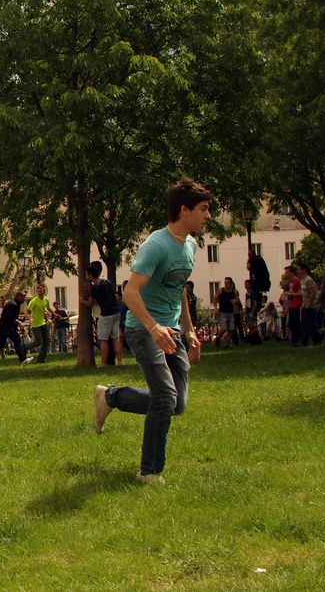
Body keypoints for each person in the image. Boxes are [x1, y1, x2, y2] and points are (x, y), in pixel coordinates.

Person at [93, 177, 210, 484]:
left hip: (169, 330)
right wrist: (153, 327)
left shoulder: (190, 245)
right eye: (203, 209)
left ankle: (111, 397)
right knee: (164, 397)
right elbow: (130, 293)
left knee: (177, 403)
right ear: (184, 211)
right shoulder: (156, 245)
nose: (207, 216)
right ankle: (149, 472)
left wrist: (190, 330)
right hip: (143, 330)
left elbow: (178, 289)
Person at [82, 262, 120, 366]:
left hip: (106, 314)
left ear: (90, 275)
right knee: (116, 338)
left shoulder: (95, 287)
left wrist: (81, 300)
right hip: (116, 312)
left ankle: (103, 363)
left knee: (103, 340)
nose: (86, 276)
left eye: (86, 274)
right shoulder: (107, 282)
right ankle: (120, 361)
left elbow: (89, 303)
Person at [0, 292, 27, 363]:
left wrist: (19, 323)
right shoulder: (13, 305)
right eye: (23, 297)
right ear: (19, 297)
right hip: (5, 326)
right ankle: (22, 359)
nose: (24, 299)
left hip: (2, 326)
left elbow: (11, 318)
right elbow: (9, 318)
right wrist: (19, 323)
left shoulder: (14, 304)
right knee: (17, 339)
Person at [23, 285, 51, 365]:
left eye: (41, 291)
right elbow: (26, 312)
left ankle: (40, 359)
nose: (39, 293)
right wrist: (29, 318)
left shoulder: (46, 299)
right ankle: (24, 347)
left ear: (44, 291)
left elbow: (48, 308)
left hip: (43, 323)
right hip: (35, 324)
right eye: (38, 291)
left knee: (46, 341)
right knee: (39, 342)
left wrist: (54, 314)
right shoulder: (34, 301)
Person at [296, 262, 320, 346]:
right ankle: (304, 341)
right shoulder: (302, 280)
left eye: (299, 269)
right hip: (304, 304)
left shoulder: (308, 280)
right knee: (304, 324)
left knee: (311, 324)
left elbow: (313, 292)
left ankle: (315, 340)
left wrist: (309, 304)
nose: (298, 271)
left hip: (310, 305)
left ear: (304, 270)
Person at [213, 277, 240, 348]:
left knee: (231, 329)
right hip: (222, 312)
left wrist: (235, 301)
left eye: (228, 283)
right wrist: (216, 308)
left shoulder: (234, 292)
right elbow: (215, 299)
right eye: (225, 283)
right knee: (224, 328)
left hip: (231, 312)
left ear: (231, 283)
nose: (226, 284)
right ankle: (218, 338)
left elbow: (238, 300)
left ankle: (226, 343)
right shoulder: (221, 291)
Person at [284, 265, 304, 345]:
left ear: (292, 272)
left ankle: (298, 338)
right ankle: (294, 339)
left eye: (287, 272)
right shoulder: (290, 282)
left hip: (297, 304)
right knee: (291, 323)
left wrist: (291, 294)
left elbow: (300, 293)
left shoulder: (297, 281)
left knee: (296, 323)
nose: (286, 274)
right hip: (291, 304)